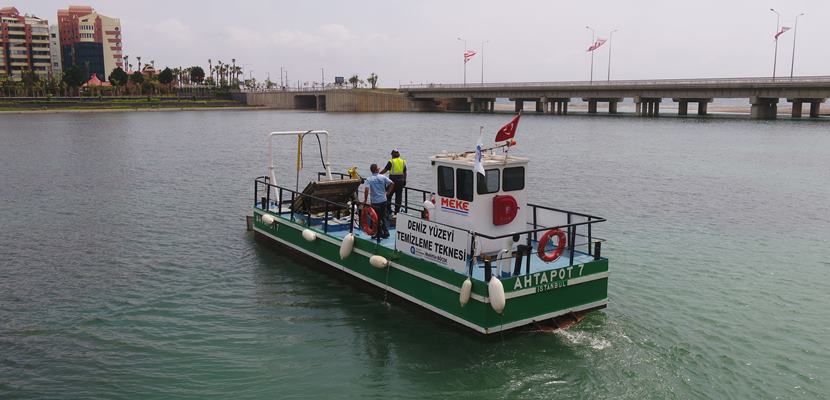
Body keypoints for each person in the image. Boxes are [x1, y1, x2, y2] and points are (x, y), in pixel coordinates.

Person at [363, 163, 395, 239]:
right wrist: (387, 193)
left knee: (375, 218)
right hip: (384, 200)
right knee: (382, 217)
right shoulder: (383, 177)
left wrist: (365, 200)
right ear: (377, 169)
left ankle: (377, 234)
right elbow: (392, 183)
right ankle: (386, 232)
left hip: (375, 202)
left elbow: (366, 189)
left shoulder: (369, 179)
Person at [380, 149, 407, 214]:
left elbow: (385, 170)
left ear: (392, 155)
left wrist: (378, 174)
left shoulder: (391, 161)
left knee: (388, 195)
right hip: (400, 181)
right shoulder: (402, 161)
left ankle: (389, 211)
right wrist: (404, 180)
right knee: (398, 197)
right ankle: (397, 212)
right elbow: (405, 172)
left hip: (392, 181)